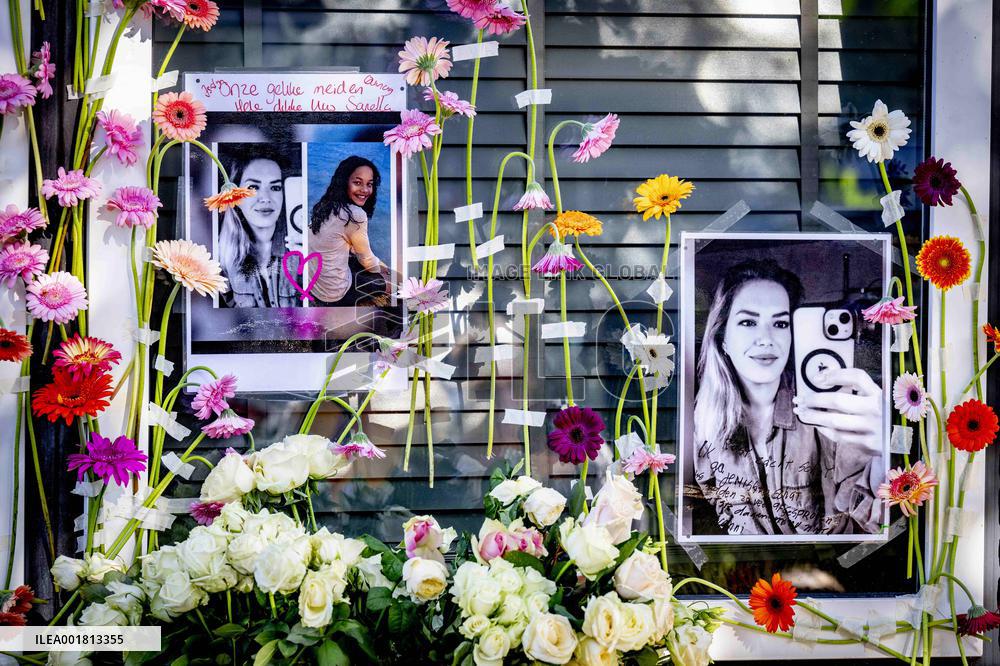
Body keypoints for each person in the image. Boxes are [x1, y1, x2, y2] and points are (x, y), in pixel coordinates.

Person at [691, 259, 884, 536]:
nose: (766, 339)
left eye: (780, 323)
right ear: (723, 338)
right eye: (748, 322)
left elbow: (873, 520)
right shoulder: (701, 422)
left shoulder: (828, 409)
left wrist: (883, 455)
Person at [217, 146, 300, 308]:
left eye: (275, 187)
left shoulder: (302, 249)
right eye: (253, 187)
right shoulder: (221, 257)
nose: (265, 198)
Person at [308, 155, 390, 307]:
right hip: (335, 295)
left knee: (355, 258)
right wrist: (385, 271)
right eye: (357, 183)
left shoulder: (325, 205)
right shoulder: (355, 215)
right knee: (389, 282)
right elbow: (368, 261)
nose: (365, 190)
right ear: (344, 182)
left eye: (369, 184)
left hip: (315, 286)